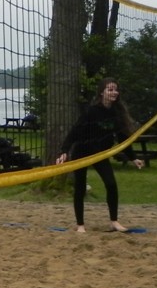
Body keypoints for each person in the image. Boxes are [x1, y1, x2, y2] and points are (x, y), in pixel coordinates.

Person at [55, 78, 144, 233]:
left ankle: (114, 222)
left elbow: (123, 138)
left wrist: (133, 157)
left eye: (116, 89)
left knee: (111, 184)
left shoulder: (117, 113)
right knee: (80, 187)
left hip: (100, 154)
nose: (114, 92)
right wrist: (64, 151)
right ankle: (80, 225)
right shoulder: (91, 111)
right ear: (102, 92)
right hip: (82, 152)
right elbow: (75, 131)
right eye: (110, 89)